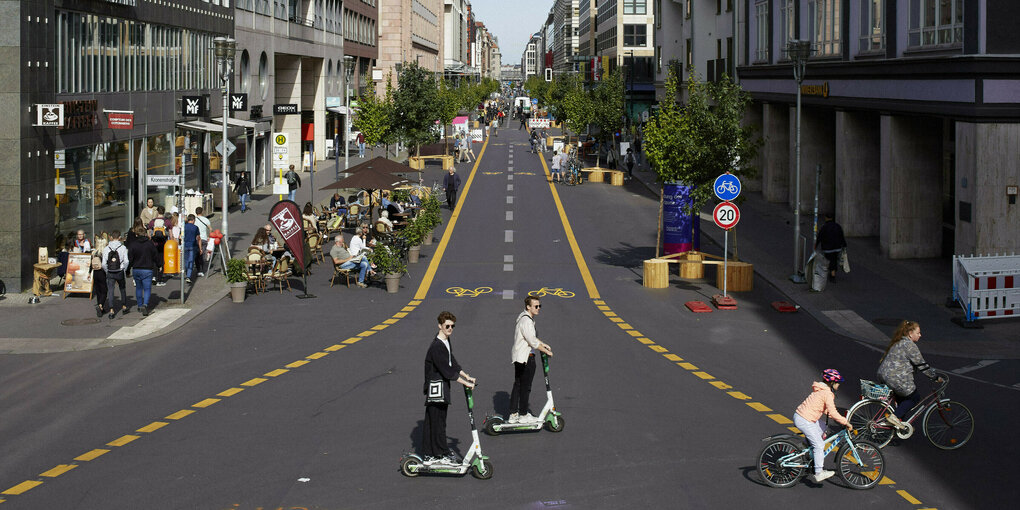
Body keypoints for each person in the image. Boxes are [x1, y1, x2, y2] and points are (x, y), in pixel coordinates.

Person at [421, 311, 477, 464]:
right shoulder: (436, 347)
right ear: (440, 325)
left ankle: (433, 453)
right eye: (447, 326)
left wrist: (466, 375)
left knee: (436, 421)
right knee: (437, 421)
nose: (450, 328)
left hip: (441, 387)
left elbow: (452, 360)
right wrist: (465, 383)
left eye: (452, 326)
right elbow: (446, 370)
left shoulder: (446, 341)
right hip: (436, 389)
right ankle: (438, 454)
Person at [877, 321, 940, 429]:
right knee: (914, 398)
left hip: (883, 375)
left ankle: (897, 432)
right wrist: (935, 377)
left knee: (903, 403)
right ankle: (894, 417)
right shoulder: (910, 345)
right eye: (918, 333)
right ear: (910, 333)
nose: (920, 335)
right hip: (896, 378)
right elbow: (922, 365)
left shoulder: (898, 342)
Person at [793, 369, 852, 483]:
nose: (839, 385)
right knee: (820, 445)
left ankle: (809, 450)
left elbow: (826, 410)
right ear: (832, 382)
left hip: (802, 416)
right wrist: (845, 422)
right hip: (805, 420)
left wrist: (838, 417)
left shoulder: (821, 389)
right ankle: (819, 472)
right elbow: (832, 412)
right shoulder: (827, 393)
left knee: (824, 428)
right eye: (838, 382)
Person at [508, 296, 554, 424]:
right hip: (526, 358)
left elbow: (531, 338)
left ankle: (513, 414)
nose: (538, 308)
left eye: (539, 306)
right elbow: (532, 342)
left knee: (518, 385)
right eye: (536, 306)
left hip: (520, 357)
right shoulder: (527, 321)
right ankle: (522, 414)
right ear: (528, 307)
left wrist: (543, 344)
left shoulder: (524, 318)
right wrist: (546, 351)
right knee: (525, 387)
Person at [126, 222, 157, 316]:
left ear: (136, 234)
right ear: (145, 233)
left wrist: (128, 270)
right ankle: (145, 304)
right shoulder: (149, 244)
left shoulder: (133, 245)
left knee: (138, 288)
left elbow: (130, 259)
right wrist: (160, 265)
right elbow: (155, 255)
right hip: (147, 269)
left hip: (136, 269)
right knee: (147, 288)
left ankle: (139, 305)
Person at [102, 231, 129, 319]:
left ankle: (111, 310)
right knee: (122, 288)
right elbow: (126, 261)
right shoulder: (123, 248)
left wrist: (107, 270)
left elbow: (103, 264)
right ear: (120, 237)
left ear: (111, 237)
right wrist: (124, 268)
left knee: (110, 290)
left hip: (110, 271)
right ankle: (124, 306)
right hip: (120, 271)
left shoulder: (106, 248)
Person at [815, 214, 847, 281]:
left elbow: (820, 237)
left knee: (829, 260)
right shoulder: (837, 226)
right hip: (837, 247)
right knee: (834, 259)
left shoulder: (824, 227)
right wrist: (844, 245)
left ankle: (831, 274)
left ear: (826, 218)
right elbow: (841, 236)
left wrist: (816, 245)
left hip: (828, 248)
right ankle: (833, 273)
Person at [182, 215, 201, 284]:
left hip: (185, 245)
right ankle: (188, 276)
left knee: (186, 261)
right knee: (191, 261)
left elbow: (180, 236)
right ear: (193, 220)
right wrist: (200, 248)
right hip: (193, 246)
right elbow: (198, 237)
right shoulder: (195, 228)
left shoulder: (184, 227)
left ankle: (187, 273)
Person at [194, 207, 212, 277]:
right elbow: (210, 229)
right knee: (202, 254)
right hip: (204, 239)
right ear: (202, 212)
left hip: (196, 239)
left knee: (197, 254)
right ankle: (202, 269)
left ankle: (198, 269)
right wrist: (209, 237)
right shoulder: (206, 220)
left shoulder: (194, 220)